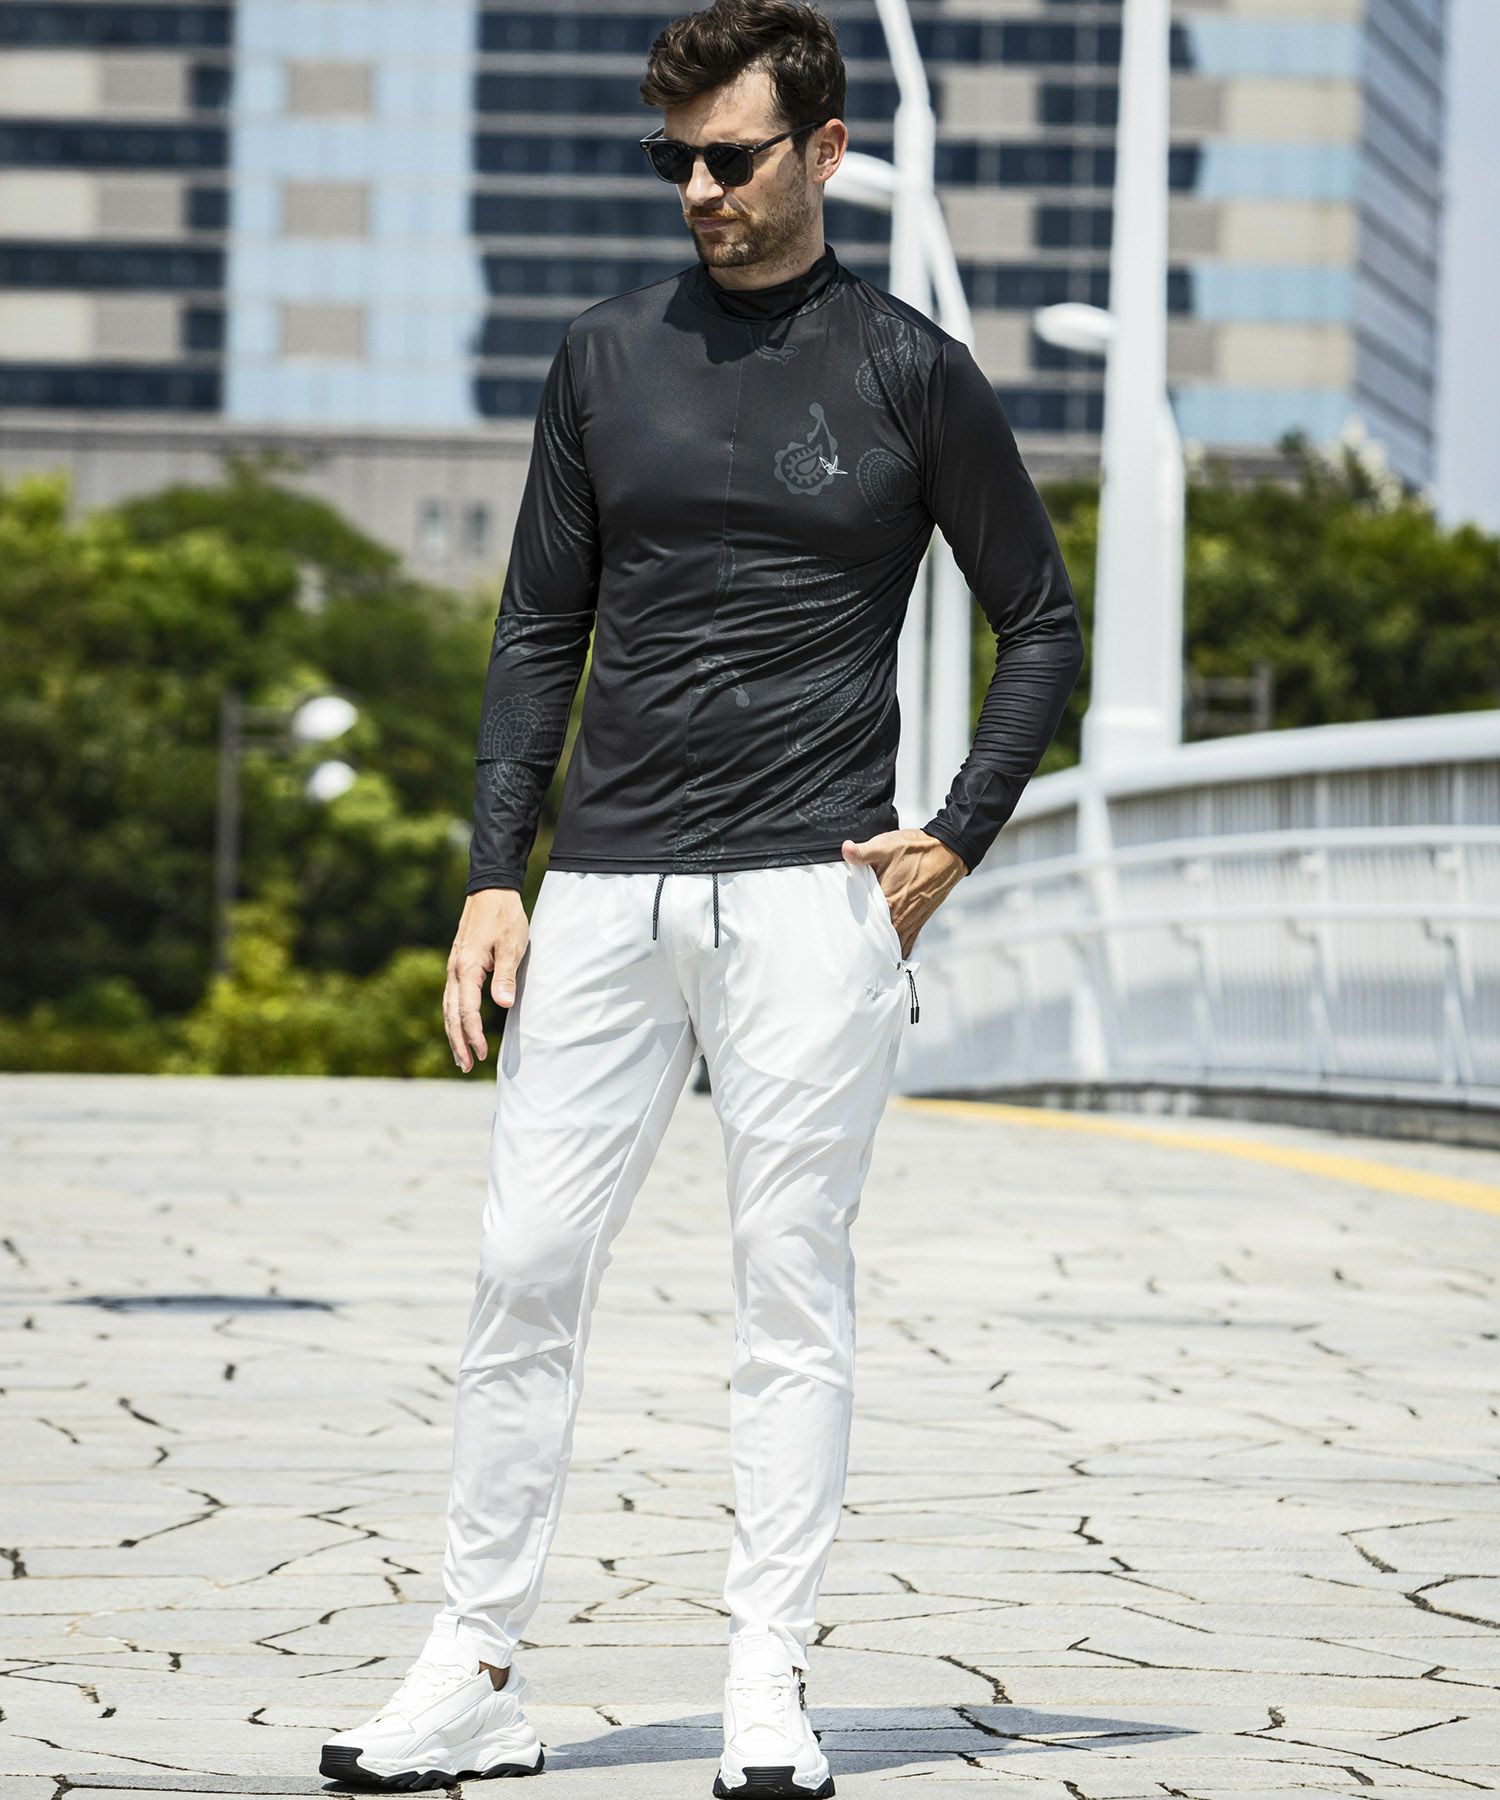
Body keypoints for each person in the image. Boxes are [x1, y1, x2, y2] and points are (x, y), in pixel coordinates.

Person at [320, 0, 1083, 1790]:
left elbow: (1041, 621)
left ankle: (766, 1677)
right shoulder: (603, 356)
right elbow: (538, 627)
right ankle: (475, 1669)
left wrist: (957, 833)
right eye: (673, 161)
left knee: (786, 1286)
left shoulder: (911, 371)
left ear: (824, 151)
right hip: (603, 890)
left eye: (731, 157)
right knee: (524, 1267)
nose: (700, 191)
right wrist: (492, 876)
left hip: (813, 893)